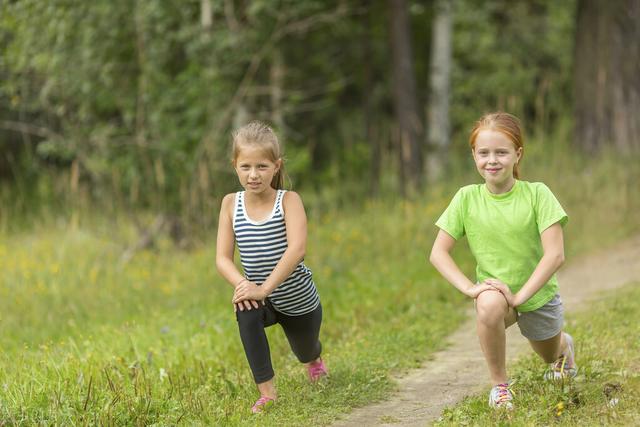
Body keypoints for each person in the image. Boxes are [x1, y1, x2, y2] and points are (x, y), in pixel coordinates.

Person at [429, 112, 577, 410]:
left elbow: (555, 255)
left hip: (536, 295)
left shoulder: (537, 194)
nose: (491, 160)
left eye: (501, 152)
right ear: (474, 156)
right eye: (483, 153)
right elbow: (438, 253)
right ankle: (500, 386)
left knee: (549, 355)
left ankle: (564, 348)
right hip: (497, 293)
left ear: (517, 154)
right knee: (487, 304)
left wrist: (520, 297)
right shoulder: (466, 198)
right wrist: (473, 289)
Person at [216, 121, 327, 414]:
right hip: (258, 296)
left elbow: (297, 250)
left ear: (276, 166)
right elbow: (222, 259)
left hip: (297, 298)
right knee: (245, 308)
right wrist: (244, 286)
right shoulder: (230, 204)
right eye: (246, 167)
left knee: (305, 349)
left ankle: (315, 360)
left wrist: (264, 288)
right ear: (235, 166)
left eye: (262, 167)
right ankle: (268, 394)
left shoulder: (288, 201)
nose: (253, 175)